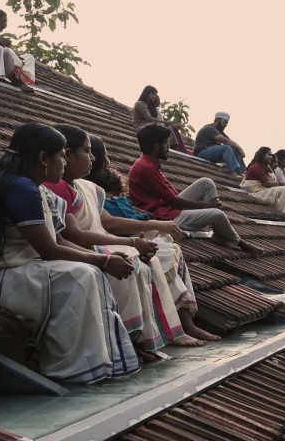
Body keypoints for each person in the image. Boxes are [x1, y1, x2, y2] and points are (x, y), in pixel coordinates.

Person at [0, 123, 139, 383]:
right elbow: (49, 249)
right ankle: (72, 368)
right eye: (61, 156)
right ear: (43, 158)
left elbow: (60, 240)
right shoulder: (20, 187)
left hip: (10, 268)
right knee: (80, 276)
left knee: (89, 273)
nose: (64, 164)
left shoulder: (38, 189)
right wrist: (104, 260)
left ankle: (93, 363)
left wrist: (104, 260)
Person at [88, 136, 218, 343]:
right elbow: (110, 223)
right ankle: (174, 328)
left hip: (139, 229)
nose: (108, 160)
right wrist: (155, 224)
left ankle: (186, 324)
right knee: (158, 254)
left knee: (171, 248)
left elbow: (128, 208)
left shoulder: (104, 183)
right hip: (120, 237)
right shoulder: (88, 188)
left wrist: (152, 219)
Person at [128, 123, 253, 251]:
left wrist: (201, 209)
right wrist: (206, 206)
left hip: (167, 208)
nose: (168, 147)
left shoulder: (149, 163)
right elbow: (173, 200)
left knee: (206, 182)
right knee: (217, 214)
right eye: (165, 144)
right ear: (156, 147)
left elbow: (172, 195)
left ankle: (218, 233)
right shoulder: (146, 168)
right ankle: (236, 241)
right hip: (164, 217)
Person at [242, 147, 285, 222]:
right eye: (269, 155)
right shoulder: (257, 167)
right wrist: (280, 184)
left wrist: (281, 184)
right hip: (257, 194)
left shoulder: (266, 166)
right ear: (262, 155)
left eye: (272, 155)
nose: (271, 157)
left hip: (263, 191)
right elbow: (267, 184)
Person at [0, 9, 36, 86]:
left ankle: (24, 76)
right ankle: (16, 72)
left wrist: (15, 54)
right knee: (3, 49)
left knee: (29, 57)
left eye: (5, 22)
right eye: (2, 22)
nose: (5, 25)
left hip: (2, 57)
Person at [131, 86, 189, 153]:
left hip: (148, 125)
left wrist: (166, 123)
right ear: (147, 94)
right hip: (141, 126)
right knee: (161, 129)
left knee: (169, 128)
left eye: (155, 95)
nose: (154, 96)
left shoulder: (150, 106)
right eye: (153, 94)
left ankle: (173, 148)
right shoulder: (140, 104)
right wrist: (164, 122)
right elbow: (149, 118)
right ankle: (165, 147)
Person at [193, 112, 245, 178]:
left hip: (211, 154)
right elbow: (225, 140)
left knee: (234, 149)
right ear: (218, 119)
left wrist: (238, 149)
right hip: (202, 153)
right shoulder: (209, 128)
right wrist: (240, 149)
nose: (226, 124)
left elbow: (231, 142)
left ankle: (241, 173)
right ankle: (233, 173)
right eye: (224, 122)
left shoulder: (219, 131)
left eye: (227, 123)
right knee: (226, 148)